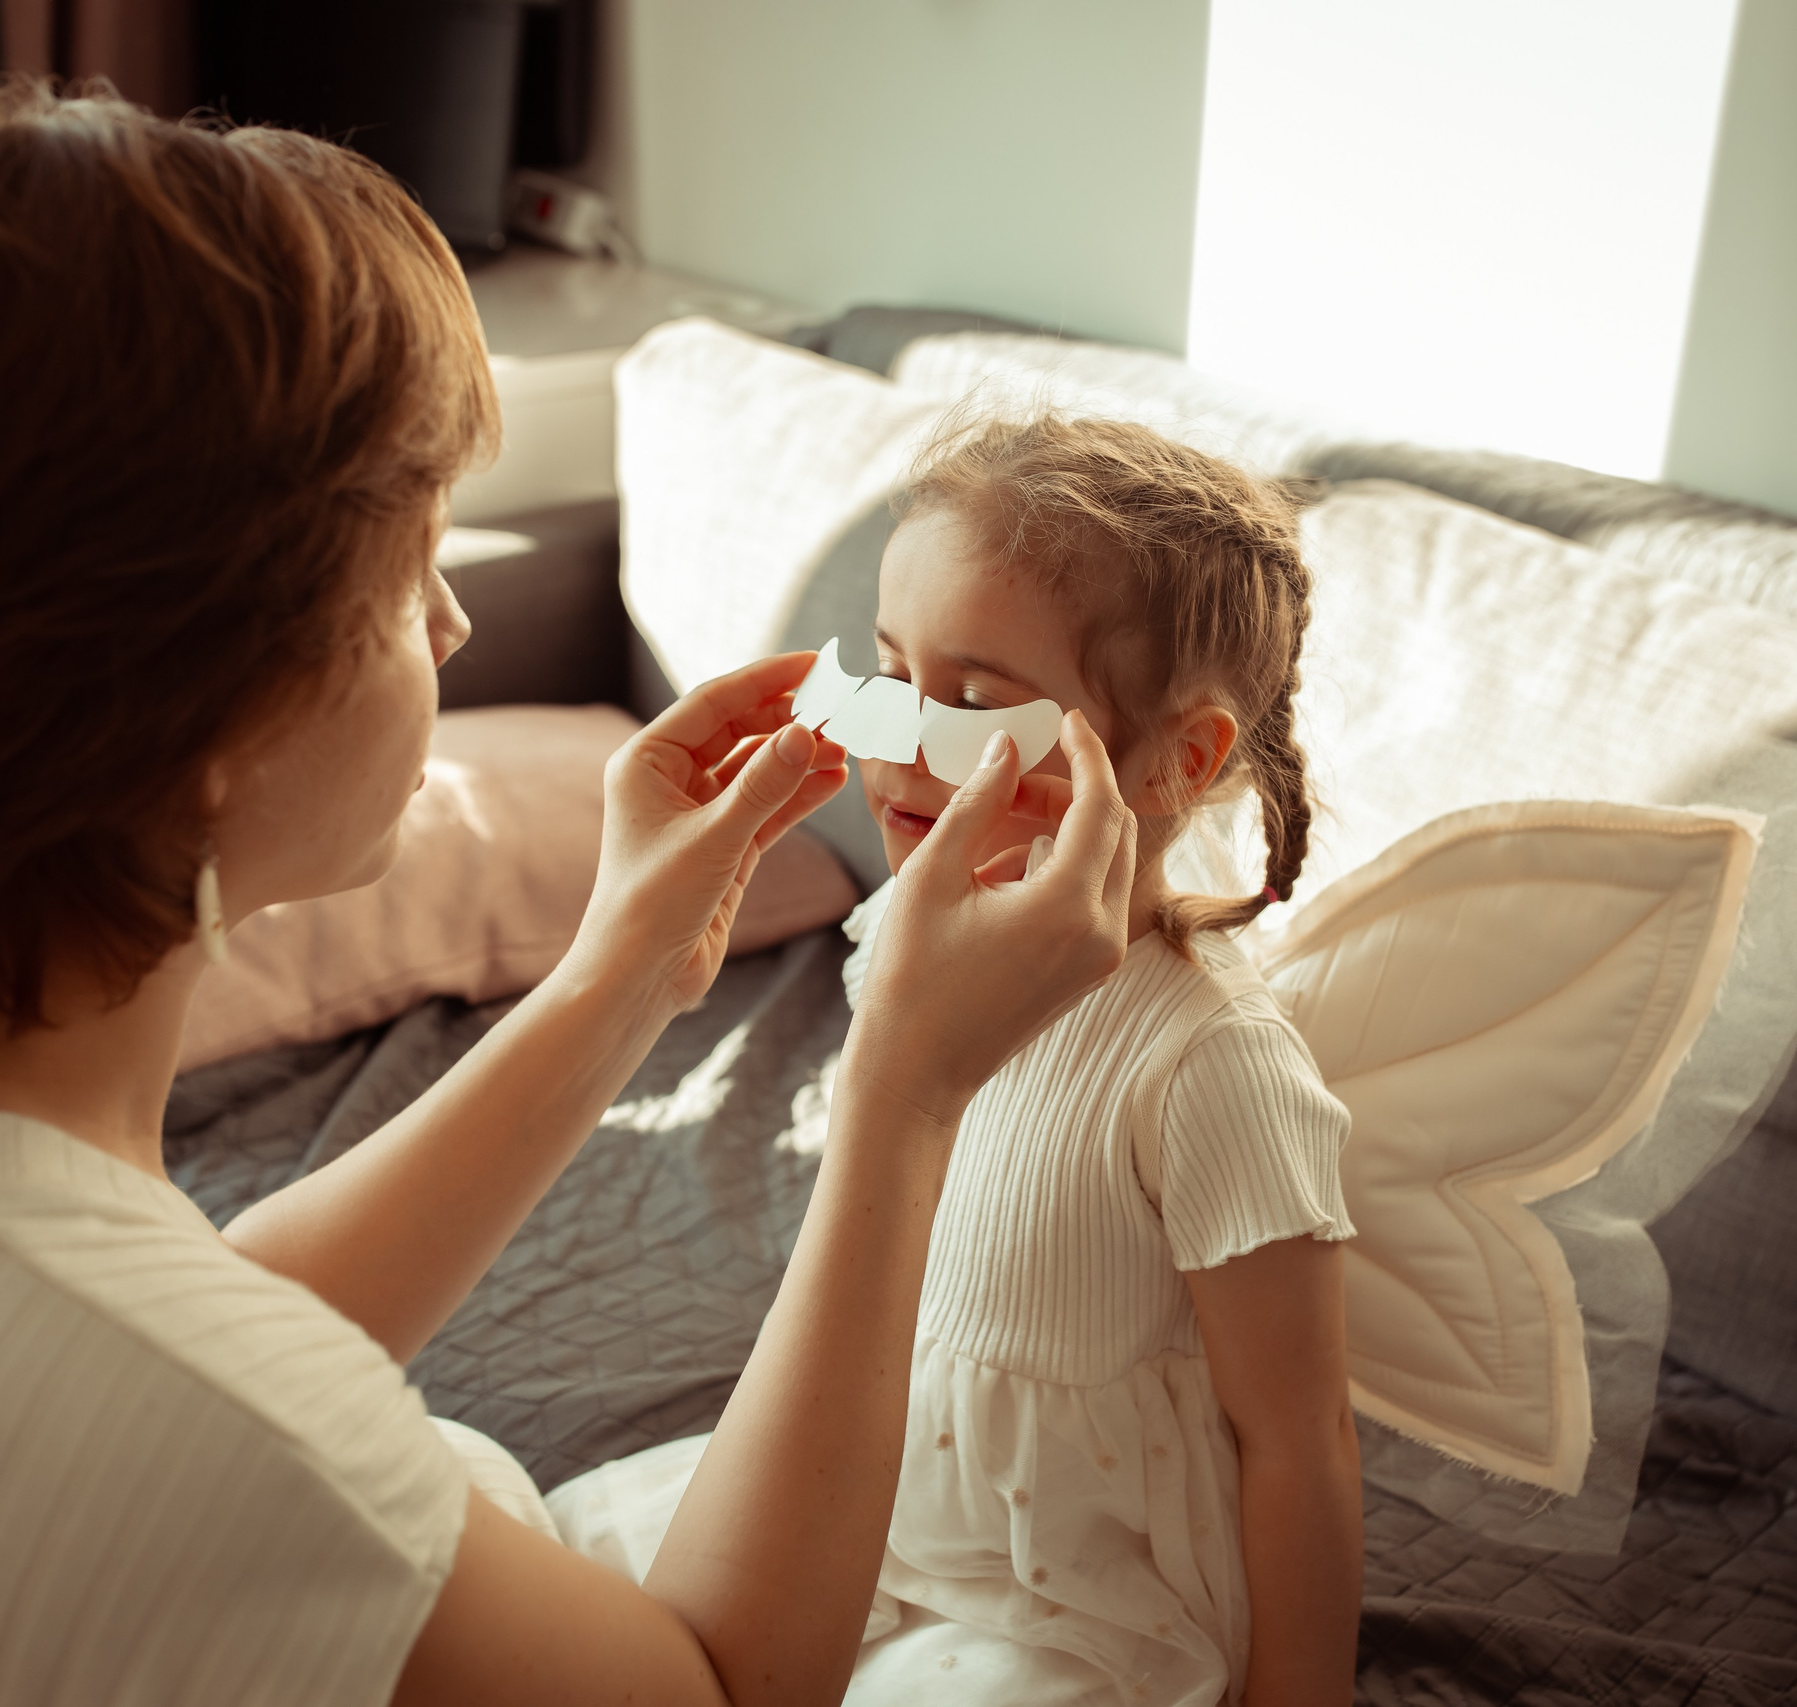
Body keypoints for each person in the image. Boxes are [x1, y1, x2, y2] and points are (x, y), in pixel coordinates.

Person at [0, 81, 1140, 1707]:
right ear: (207, 708)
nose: (452, 623)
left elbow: (171, 1324)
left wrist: (618, 977)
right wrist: (904, 1092)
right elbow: (714, 1688)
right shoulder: (230, 1446)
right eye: (412, 565)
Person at [552, 416, 1364, 1706]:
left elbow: (1299, 1441)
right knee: (535, 1585)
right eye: (888, 676)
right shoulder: (901, 940)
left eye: (975, 709)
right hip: (861, 1498)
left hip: (1056, 1602)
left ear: (1180, 759)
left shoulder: (1211, 1066)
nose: (892, 744)